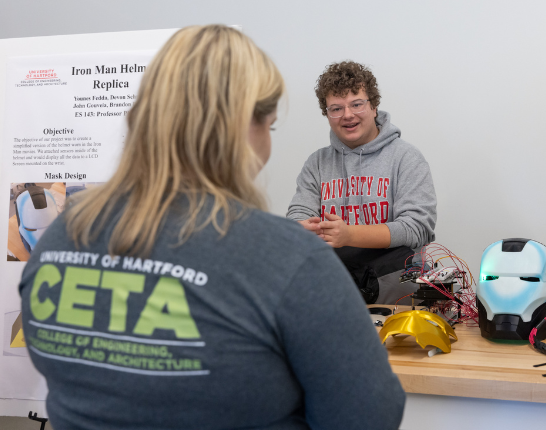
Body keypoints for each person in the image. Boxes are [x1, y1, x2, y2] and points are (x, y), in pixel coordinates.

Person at [19, 26, 405, 429]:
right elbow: (369, 415)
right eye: (268, 128)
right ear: (240, 129)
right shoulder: (288, 259)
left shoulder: (60, 238)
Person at [287, 61, 437, 304]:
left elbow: (417, 228)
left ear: (374, 106)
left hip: (395, 288)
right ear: (327, 114)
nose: (347, 115)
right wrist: (302, 228)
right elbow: (297, 215)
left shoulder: (406, 158)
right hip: (332, 286)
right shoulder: (317, 163)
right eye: (336, 108)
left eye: (357, 104)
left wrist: (349, 235)